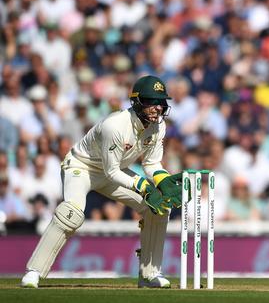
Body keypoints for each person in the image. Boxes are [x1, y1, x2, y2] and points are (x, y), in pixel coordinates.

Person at [21, 75, 183, 289]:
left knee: (158, 209)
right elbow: (111, 172)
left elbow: (152, 164)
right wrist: (143, 186)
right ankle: (34, 272)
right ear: (137, 102)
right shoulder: (114, 126)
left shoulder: (158, 127)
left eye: (161, 103)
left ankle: (149, 274)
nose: (158, 108)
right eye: (152, 102)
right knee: (72, 214)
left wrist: (163, 182)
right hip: (81, 166)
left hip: (114, 169)